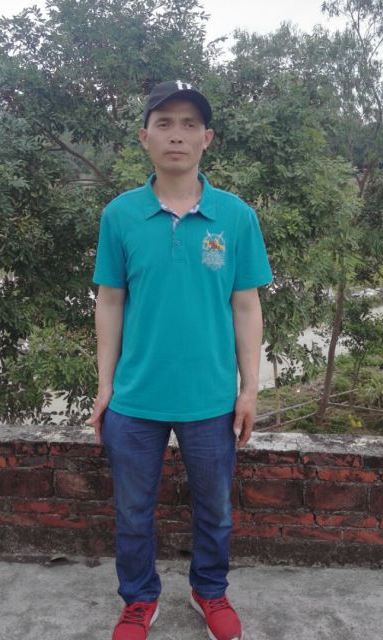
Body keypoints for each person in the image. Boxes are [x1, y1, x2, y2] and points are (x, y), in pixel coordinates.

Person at [87, 80, 272, 640]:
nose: (177, 135)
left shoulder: (235, 217)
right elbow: (110, 302)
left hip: (211, 399)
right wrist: (104, 386)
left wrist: (249, 389)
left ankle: (209, 591)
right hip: (135, 397)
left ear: (206, 138)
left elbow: (246, 305)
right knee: (132, 512)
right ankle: (139, 600)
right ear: (144, 137)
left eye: (190, 124)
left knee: (215, 509)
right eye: (164, 123)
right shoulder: (120, 215)